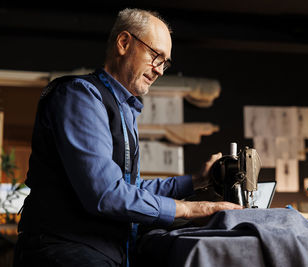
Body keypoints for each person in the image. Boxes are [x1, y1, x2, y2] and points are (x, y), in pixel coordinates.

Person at [13, 8, 242, 267]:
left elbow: (127, 190)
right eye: (156, 56)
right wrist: (191, 209)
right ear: (123, 43)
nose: (160, 71)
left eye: (165, 62)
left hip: (104, 252)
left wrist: (196, 181)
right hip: (63, 252)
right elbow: (106, 194)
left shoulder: (124, 110)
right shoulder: (81, 96)